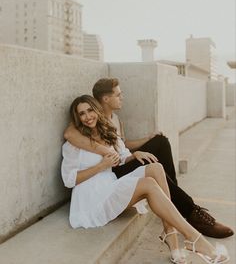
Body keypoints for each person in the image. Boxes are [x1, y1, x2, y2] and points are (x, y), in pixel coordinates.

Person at [61, 95, 229, 264]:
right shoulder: (73, 145)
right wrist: (101, 166)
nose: (88, 116)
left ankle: (172, 238)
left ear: (97, 110)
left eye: (90, 110)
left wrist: (135, 155)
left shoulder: (108, 134)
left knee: (156, 167)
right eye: (82, 114)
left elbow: (122, 157)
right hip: (91, 198)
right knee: (148, 184)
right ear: (77, 118)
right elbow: (69, 180)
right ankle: (193, 239)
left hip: (109, 184)